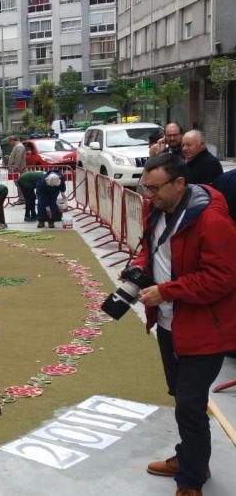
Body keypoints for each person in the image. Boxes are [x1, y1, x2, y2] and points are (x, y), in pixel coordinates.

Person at [132, 154, 236, 496]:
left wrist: (166, 291)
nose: (149, 195)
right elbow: (152, 251)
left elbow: (222, 278)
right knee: (182, 398)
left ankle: (191, 480)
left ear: (179, 183)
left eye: (155, 188)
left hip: (205, 328)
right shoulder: (156, 209)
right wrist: (137, 272)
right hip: (167, 325)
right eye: (146, 187)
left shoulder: (211, 220)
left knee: (191, 403)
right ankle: (192, 456)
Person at [6, 136, 26, 204]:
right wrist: (9, 157)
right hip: (18, 169)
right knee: (19, 184)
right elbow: (16, 157)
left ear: (12, 140)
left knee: (19, 184)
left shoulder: (19, 147)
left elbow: (18, 158)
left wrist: (15, 167)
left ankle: (22, 199)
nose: (9, 143)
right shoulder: (17, 146)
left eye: (9, 141)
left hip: (19, 170)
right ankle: (21, 199)